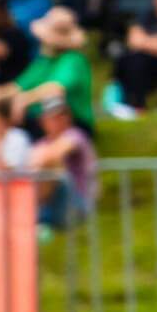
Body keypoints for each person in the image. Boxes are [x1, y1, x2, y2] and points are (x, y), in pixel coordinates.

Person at [0, 6, 96, 130]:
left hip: (73, 126)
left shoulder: (73, 59)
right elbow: (18, 87)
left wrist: (24, 100)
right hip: (42, 123)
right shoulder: (44, 62)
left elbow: (56, 89)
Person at [29, 95, 96, 230]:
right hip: (52, 202)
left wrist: (40, 161)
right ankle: (35, 218)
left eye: (61, 116)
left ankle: (35, 218)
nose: (58, 121)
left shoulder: (76, 135)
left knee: (52, 170)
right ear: (43, 121)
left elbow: (52, 157)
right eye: (52, 117)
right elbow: (29, 164)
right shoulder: (40, 143)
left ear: (68, 117)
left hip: (78, 203)